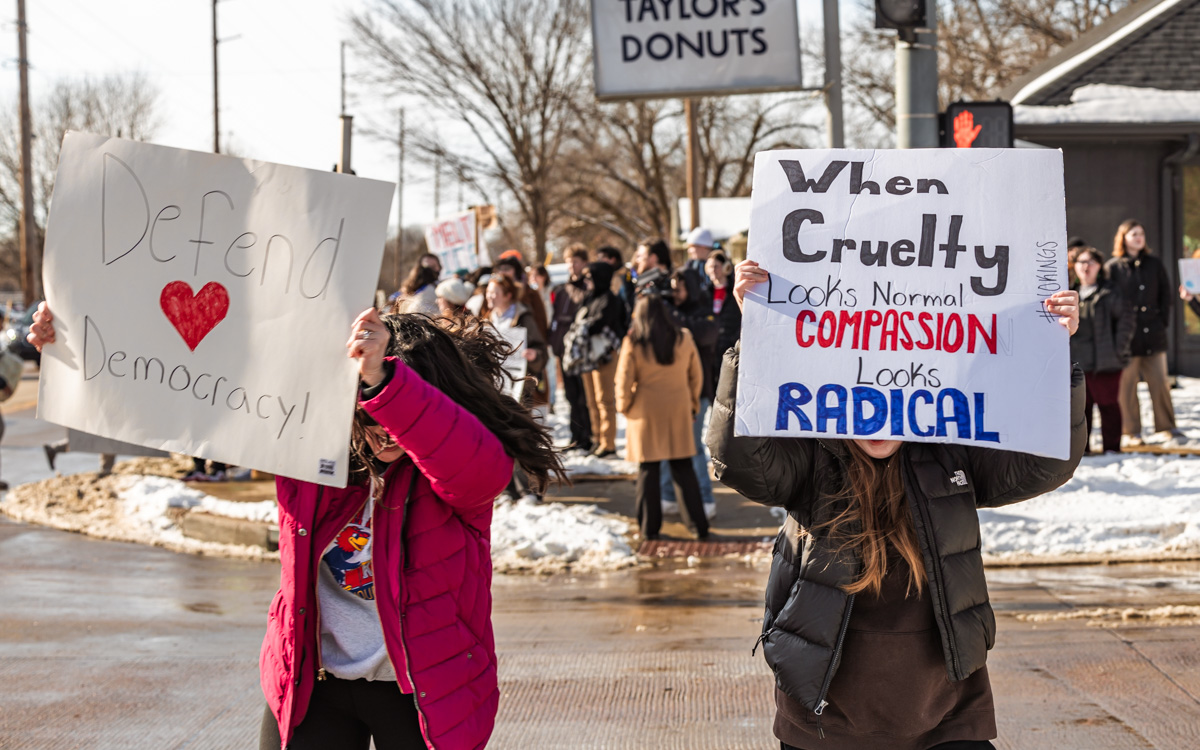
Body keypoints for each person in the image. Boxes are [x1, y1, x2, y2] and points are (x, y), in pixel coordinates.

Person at [28, 303, 565, 750]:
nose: (382, 430)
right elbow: (183, 392)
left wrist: (384, 380)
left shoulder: (460, 470)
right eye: (366, 409)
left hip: (422, 689)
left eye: (389, 407)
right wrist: (75, 347)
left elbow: (477, 468)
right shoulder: (308, 452)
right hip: (315, 680)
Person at [709, 260, 1085, 750]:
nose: (877, 418)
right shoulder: (813, 453)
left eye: (894, 394)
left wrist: (1052, 351)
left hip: (948, 714)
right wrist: (756, 336)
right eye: (863, 398)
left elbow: (1044, 464)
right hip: (827, 717)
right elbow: (740, 461)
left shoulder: (950, 445)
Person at [616, 292, 709, 541]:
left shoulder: (634, 342)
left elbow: (624, 378)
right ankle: (698, 525)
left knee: (648, 470)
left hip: (645, 412)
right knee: (683, 469)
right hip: (678, 408)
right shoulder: (684, 337)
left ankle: (649, 528)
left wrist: (623, 406)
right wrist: (692, 405)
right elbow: (696, 375)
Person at [1105, 219, 1181, 446]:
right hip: (1126, 339)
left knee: (1159, 382)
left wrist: (1161, 322)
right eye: (1134, 234)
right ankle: (1131, 431)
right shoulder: (1113, 267)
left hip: (1153, 336)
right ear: (1123, 238)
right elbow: (1109, 301)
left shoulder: (1154, 264)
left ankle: (1167, 427)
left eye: (1141, 234)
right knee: (1126, 388)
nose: (1139, 237)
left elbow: (1166, 295)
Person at [660, 268, 719, 520]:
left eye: (679, 288)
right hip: (669, 390)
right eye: (672, 288)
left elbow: (703, 333)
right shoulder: (667, 312)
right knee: (664, 444)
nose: (675, 293)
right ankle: (667, 496)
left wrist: (668, 312)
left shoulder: (703, 313)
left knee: (693, 446)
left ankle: (706, 499)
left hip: (697, 392)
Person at [485, 275, 550, 501]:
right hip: (497, 386)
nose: (490, 297)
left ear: (508, 295)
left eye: (495, 293)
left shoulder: (523, 317)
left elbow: (542, 349)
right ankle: (507, 488)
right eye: (488, 292)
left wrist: (534, 355)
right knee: (499, 437)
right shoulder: (488, 318)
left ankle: (530, 490)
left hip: (521, 386)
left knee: (522, 437)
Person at [1071, 247, 1135, 454]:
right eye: (1081, 262)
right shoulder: (1069, 293)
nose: (1086, 267)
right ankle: (1084, 449)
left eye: (1091, 262)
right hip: (1078, 362)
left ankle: (1112, 449)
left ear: (1099, 266)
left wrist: (1118, 350)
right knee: (1082, 409)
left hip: (1106, 361)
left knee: (1108, 406)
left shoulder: (1110, 293)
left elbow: (1127, 321)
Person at [562, 262, 627, 458]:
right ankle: (597, 439)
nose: (587, 282)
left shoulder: (611, 300)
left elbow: (598, 324)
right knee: (591, 400)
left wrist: (584, 327)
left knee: (604, 400)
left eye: (590, 277)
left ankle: (608, 444)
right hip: (586, 356)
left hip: (604, 356)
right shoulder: (589, 298)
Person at [550, 246, 593, 452]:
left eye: (575, 261)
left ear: (584, 263)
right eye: (568, 262)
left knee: (584, 397)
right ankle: (576, 436)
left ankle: (588, 436)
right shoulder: (560, 290)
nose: (571, 266)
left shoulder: (587, 289)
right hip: (563, 350)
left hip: (580, 352)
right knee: (570, 396)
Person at [705, 250, 742, 366]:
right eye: (710, 267)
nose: (713, 270)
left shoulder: (735, 292)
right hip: (710, 350)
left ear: (726, 267)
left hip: (730, 349)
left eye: (716, 266)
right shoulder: (705, 293)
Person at [596, 245, 635, 326]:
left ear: (613, 259)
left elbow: (628, 298)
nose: (599, 261)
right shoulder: (605, 276)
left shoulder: (627, 273)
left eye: (602, 258)